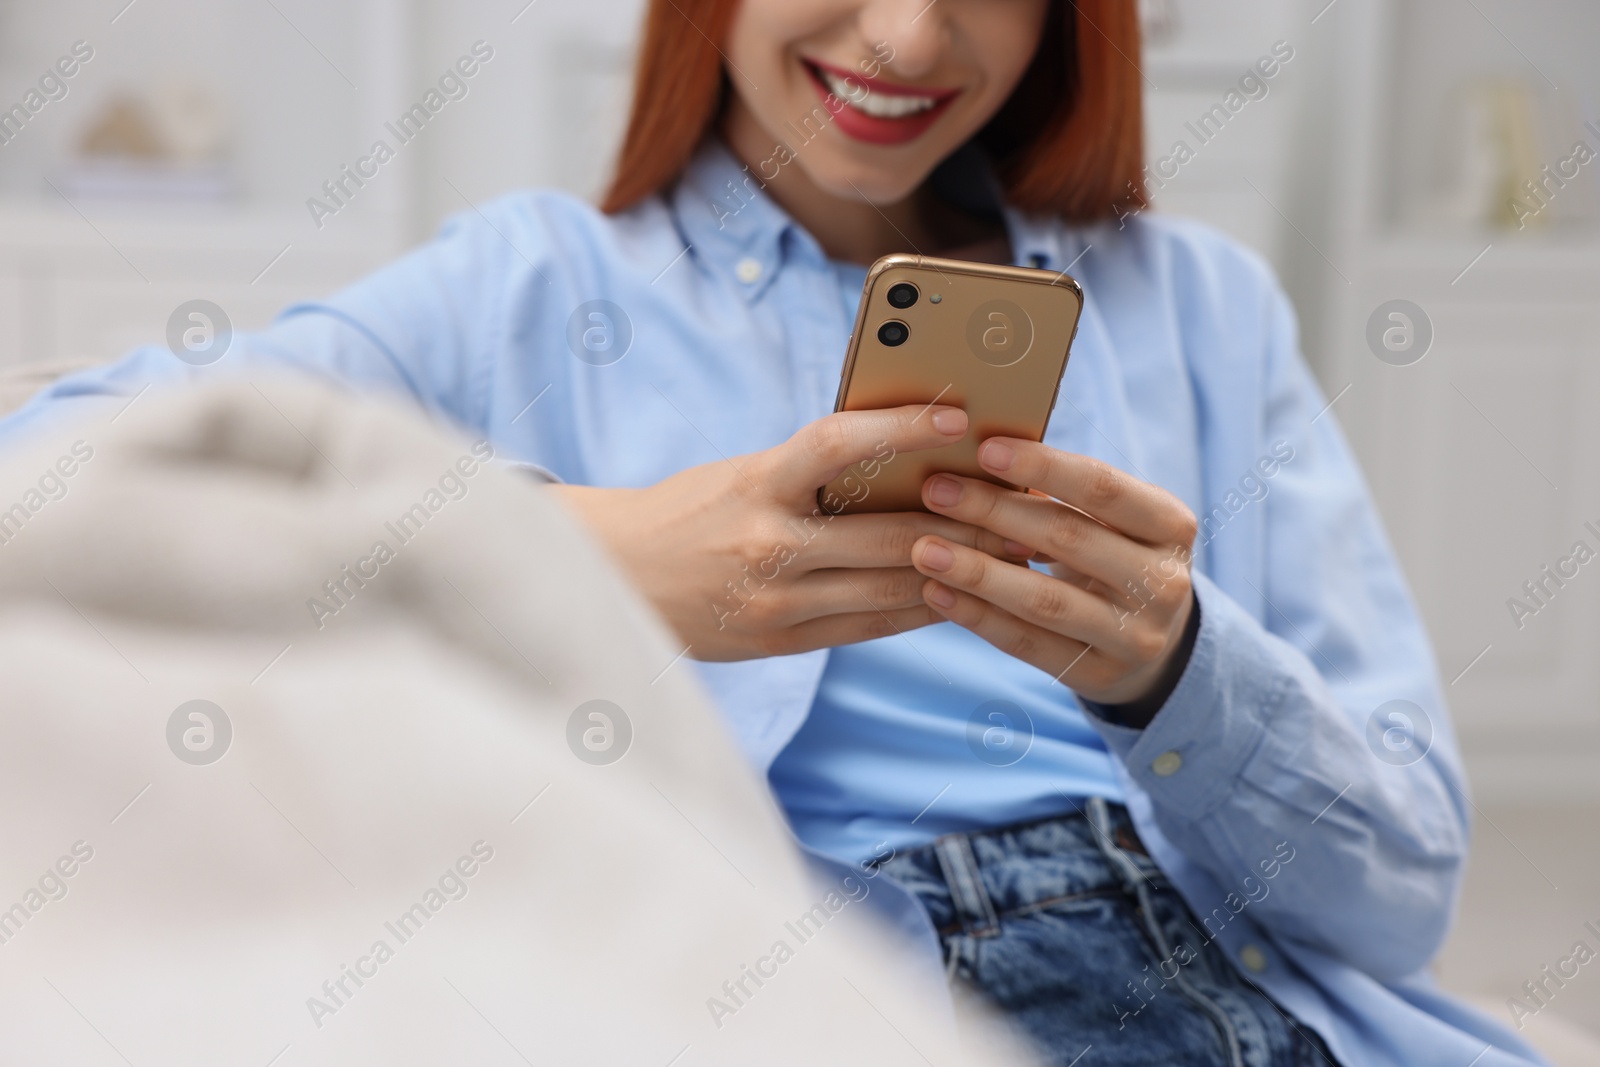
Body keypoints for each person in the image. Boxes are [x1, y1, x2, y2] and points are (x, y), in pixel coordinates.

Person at [0, 2, 1549, 1065]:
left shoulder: (1201, 305)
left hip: (1199, 961)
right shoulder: (528, 286)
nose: (908, 37)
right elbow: (70, 469)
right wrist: (590, 553)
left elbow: (1401, 892)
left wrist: (1182, 672)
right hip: (814, 968)